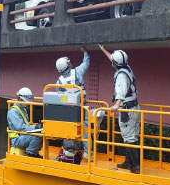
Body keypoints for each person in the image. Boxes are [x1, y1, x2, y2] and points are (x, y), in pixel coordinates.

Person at [98, 44, 141, 173]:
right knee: (132, 136)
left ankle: (136, 167)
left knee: (129, 138)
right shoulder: (127, 67)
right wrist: (103, 50)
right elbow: (114, 58)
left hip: (127, 110)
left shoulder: (121, 75)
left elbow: (121, 91)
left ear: (115, 64)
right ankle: (129, 162)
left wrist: (117, 105)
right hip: (134, 107)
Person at [55, 46, 91, 159]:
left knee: (69, 128)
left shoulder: (59, 81)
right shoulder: (77, 72)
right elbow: (86, 63)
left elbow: (59, 97)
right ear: (68, 65)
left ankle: (69, 151)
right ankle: (88, 153)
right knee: (86, 128)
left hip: (69, 109)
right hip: (82, 107)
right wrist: (85, 52)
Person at [7, 87, 43, 158]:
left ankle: (34, 151)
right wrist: (35, 127)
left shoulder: (23, 109)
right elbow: (20, 127)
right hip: (17, 139)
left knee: (42, 133)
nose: (27, 103)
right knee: (37, 135)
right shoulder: (13, 111)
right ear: (20, 99)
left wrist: (37, 127)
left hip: (22, 135)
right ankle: (30, 153)